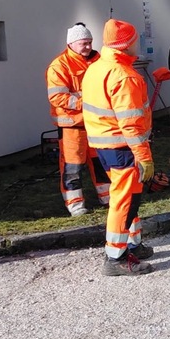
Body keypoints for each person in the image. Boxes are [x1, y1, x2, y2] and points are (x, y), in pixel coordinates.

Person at [82, 19, 156, 276]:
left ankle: (132, 243)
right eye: (134, 39)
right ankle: (116, 257)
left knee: (128, 197)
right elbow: (132, 125)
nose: (138, 43)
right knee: (124, 202)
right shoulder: (125, 76)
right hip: (123, 147)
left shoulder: (97, 67)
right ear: (126, 45)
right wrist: (144, 157)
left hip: (104, 145)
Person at [46, 22, 110, 217]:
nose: (89, 47)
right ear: (72, 44)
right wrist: (88, 103)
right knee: (72, 166)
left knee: (100, 162)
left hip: (96, 124)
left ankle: (107, 197)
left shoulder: (99, 61)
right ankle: (75, 204)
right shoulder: (59, 66)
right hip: (72, 127)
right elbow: (57, 96)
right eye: (84, 43)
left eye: (90, 42)